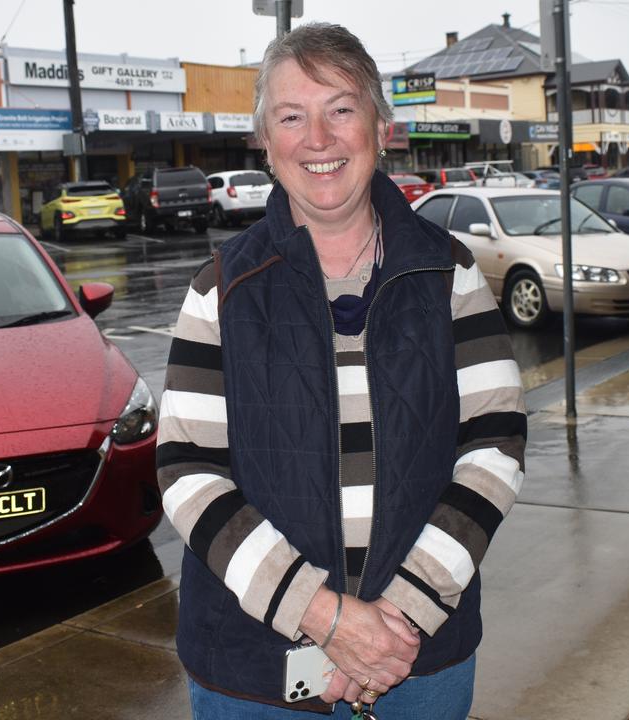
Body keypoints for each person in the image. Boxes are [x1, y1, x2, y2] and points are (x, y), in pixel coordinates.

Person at [157, 22, 526, 719]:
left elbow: (495, 443)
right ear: (264, 140)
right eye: (291, 116)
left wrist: (394, 622)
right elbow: (186, 469)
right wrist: (325, 618)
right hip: (251, 674)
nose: (317, 139)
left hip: (419, 659)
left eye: (341, 109)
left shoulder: (447, 272)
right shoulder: (221, 288)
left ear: (381, 128)